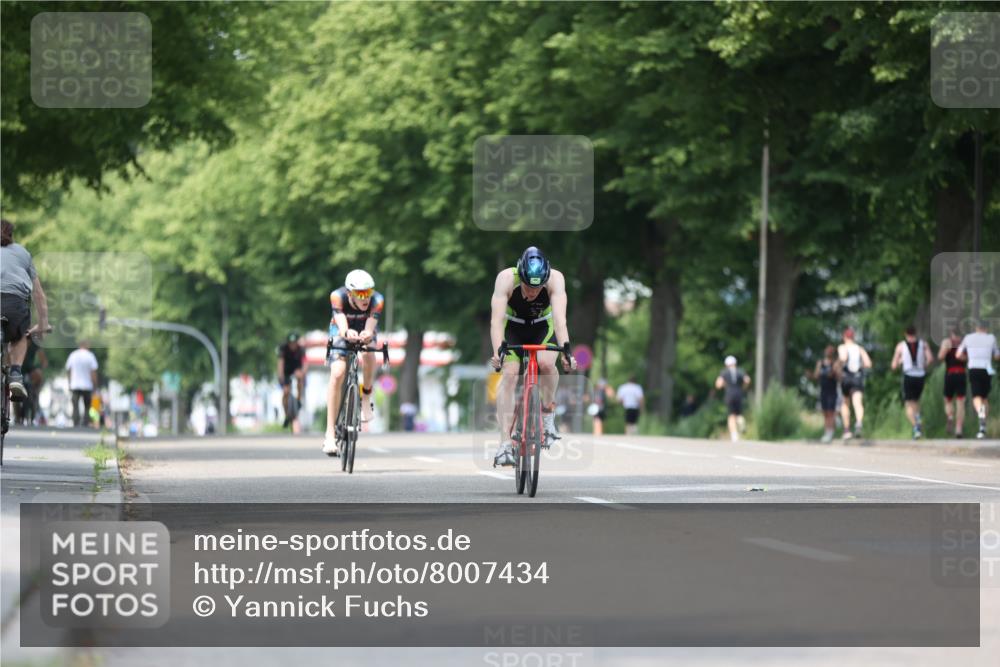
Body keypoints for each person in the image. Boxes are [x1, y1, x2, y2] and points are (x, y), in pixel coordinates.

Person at [489, 247, 576, 467]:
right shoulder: (506, 279)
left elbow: (560, 321)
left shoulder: (556, 279)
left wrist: (566, 351)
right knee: (509, 374)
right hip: (512, 327)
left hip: (540, 327)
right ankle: (505, 443)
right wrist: (497, 352)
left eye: (538, 288)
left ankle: (547, 414)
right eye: (528, 287)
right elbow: (496, 321)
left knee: (547, 363)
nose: (532, 293)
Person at [323, 269, 385, 456]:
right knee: (338, 373)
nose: (365, 298)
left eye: (368, 292)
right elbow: (341, 324)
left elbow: (370, 326)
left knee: (368, 353)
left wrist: (366, 335)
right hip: (341, 328)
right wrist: (346, 332)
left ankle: (365, 397)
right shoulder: (337, 296)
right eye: (360, 293)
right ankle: (330, 433)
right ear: (350, 293)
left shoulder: (377, 300)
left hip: (364, 327)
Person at [0, 219, 50, 400]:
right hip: (15, 305)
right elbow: (39, 295)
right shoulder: (23, 253)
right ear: (11, 235)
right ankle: (15, 374)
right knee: (20, 336)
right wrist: (43, 324)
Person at [957, 322, 1000, 440]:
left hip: (974, 368)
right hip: (987, 369)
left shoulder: (968, 338)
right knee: (985, 398)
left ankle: (981, 419)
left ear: (976, 328)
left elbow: (958, 355)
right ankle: (983, 424)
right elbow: (997, 356)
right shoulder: (991, 338)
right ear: (986, 328)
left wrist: (968, 358)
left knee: (976, 396)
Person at [891, 325, 934, 439]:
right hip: (920, 376)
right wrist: (923, 366)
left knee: (908, 404)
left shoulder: (901, 346)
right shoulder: (923, 344)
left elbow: (893, 365)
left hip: (908, 375)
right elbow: (930, 359)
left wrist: (900, 362)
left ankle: (916, 427)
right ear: (915, 333)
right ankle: (918, 418)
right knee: (916, 401)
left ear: (906, 334)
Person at [838, 328, 872, 439]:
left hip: (846, 377)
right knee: (857, 402)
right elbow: (868, 363)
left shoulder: (842, 347)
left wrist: (837, 365)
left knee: (845, 403)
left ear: (844, 337)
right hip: (858, 377)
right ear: (853, 337)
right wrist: (859, 366)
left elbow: (843, 358)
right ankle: (858, 423)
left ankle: (847, 430)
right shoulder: (859, 348)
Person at [938, 329, 967, 438]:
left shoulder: (946, 342)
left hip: (950, 374)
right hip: (961, 374)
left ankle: (950, 416)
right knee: (961, 402)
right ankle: (958, 428)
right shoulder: (964, 343)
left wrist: (946, 349)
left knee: (947, 400)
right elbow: (967, 358)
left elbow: (940, 357)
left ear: (951, 334)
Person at [716, 355, 751, 442]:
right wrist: (743, 387)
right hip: (739, 393)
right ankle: (741, 422)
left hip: (729, 394)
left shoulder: (724, 372)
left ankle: (734, 435)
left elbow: (718, 384)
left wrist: (724, 385)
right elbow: (747, 380)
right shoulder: (740, 371)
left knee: (731, 415)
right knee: (739, 414)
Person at [809, 345, 840, 443]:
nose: (828, 353)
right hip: (823, 390)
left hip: (832, 391)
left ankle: (830, 433)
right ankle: (827, 431)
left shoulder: (835, 363)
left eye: (830, 351)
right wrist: (810, 375)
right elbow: (816, 375)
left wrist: (834, 373)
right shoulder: (820, 363)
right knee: (825, 412)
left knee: (831, 412)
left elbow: (839, 377)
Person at [277, 332, 306, 433]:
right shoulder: (283, 349)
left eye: (294, 343)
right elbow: (280, 363)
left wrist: (302, 373)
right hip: (286, 371)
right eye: (291, 343)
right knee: (285, 392)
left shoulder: (301, 349)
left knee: (299, 380)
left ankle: (298, 400)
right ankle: (286, 414)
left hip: (297, 369)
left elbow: (305, 363)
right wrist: (281, 377)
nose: (292, 345)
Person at [66, 341, 99, 427]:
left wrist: (69, 383)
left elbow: (69, 370)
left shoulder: (73, 355)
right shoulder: (90, 356)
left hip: (75, 384)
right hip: (87, 385)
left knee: (75, 405)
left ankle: (75, 423)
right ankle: (85, 423)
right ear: (86, 345)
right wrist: (95, 385)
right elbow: (93, 372)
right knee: (87, 406)